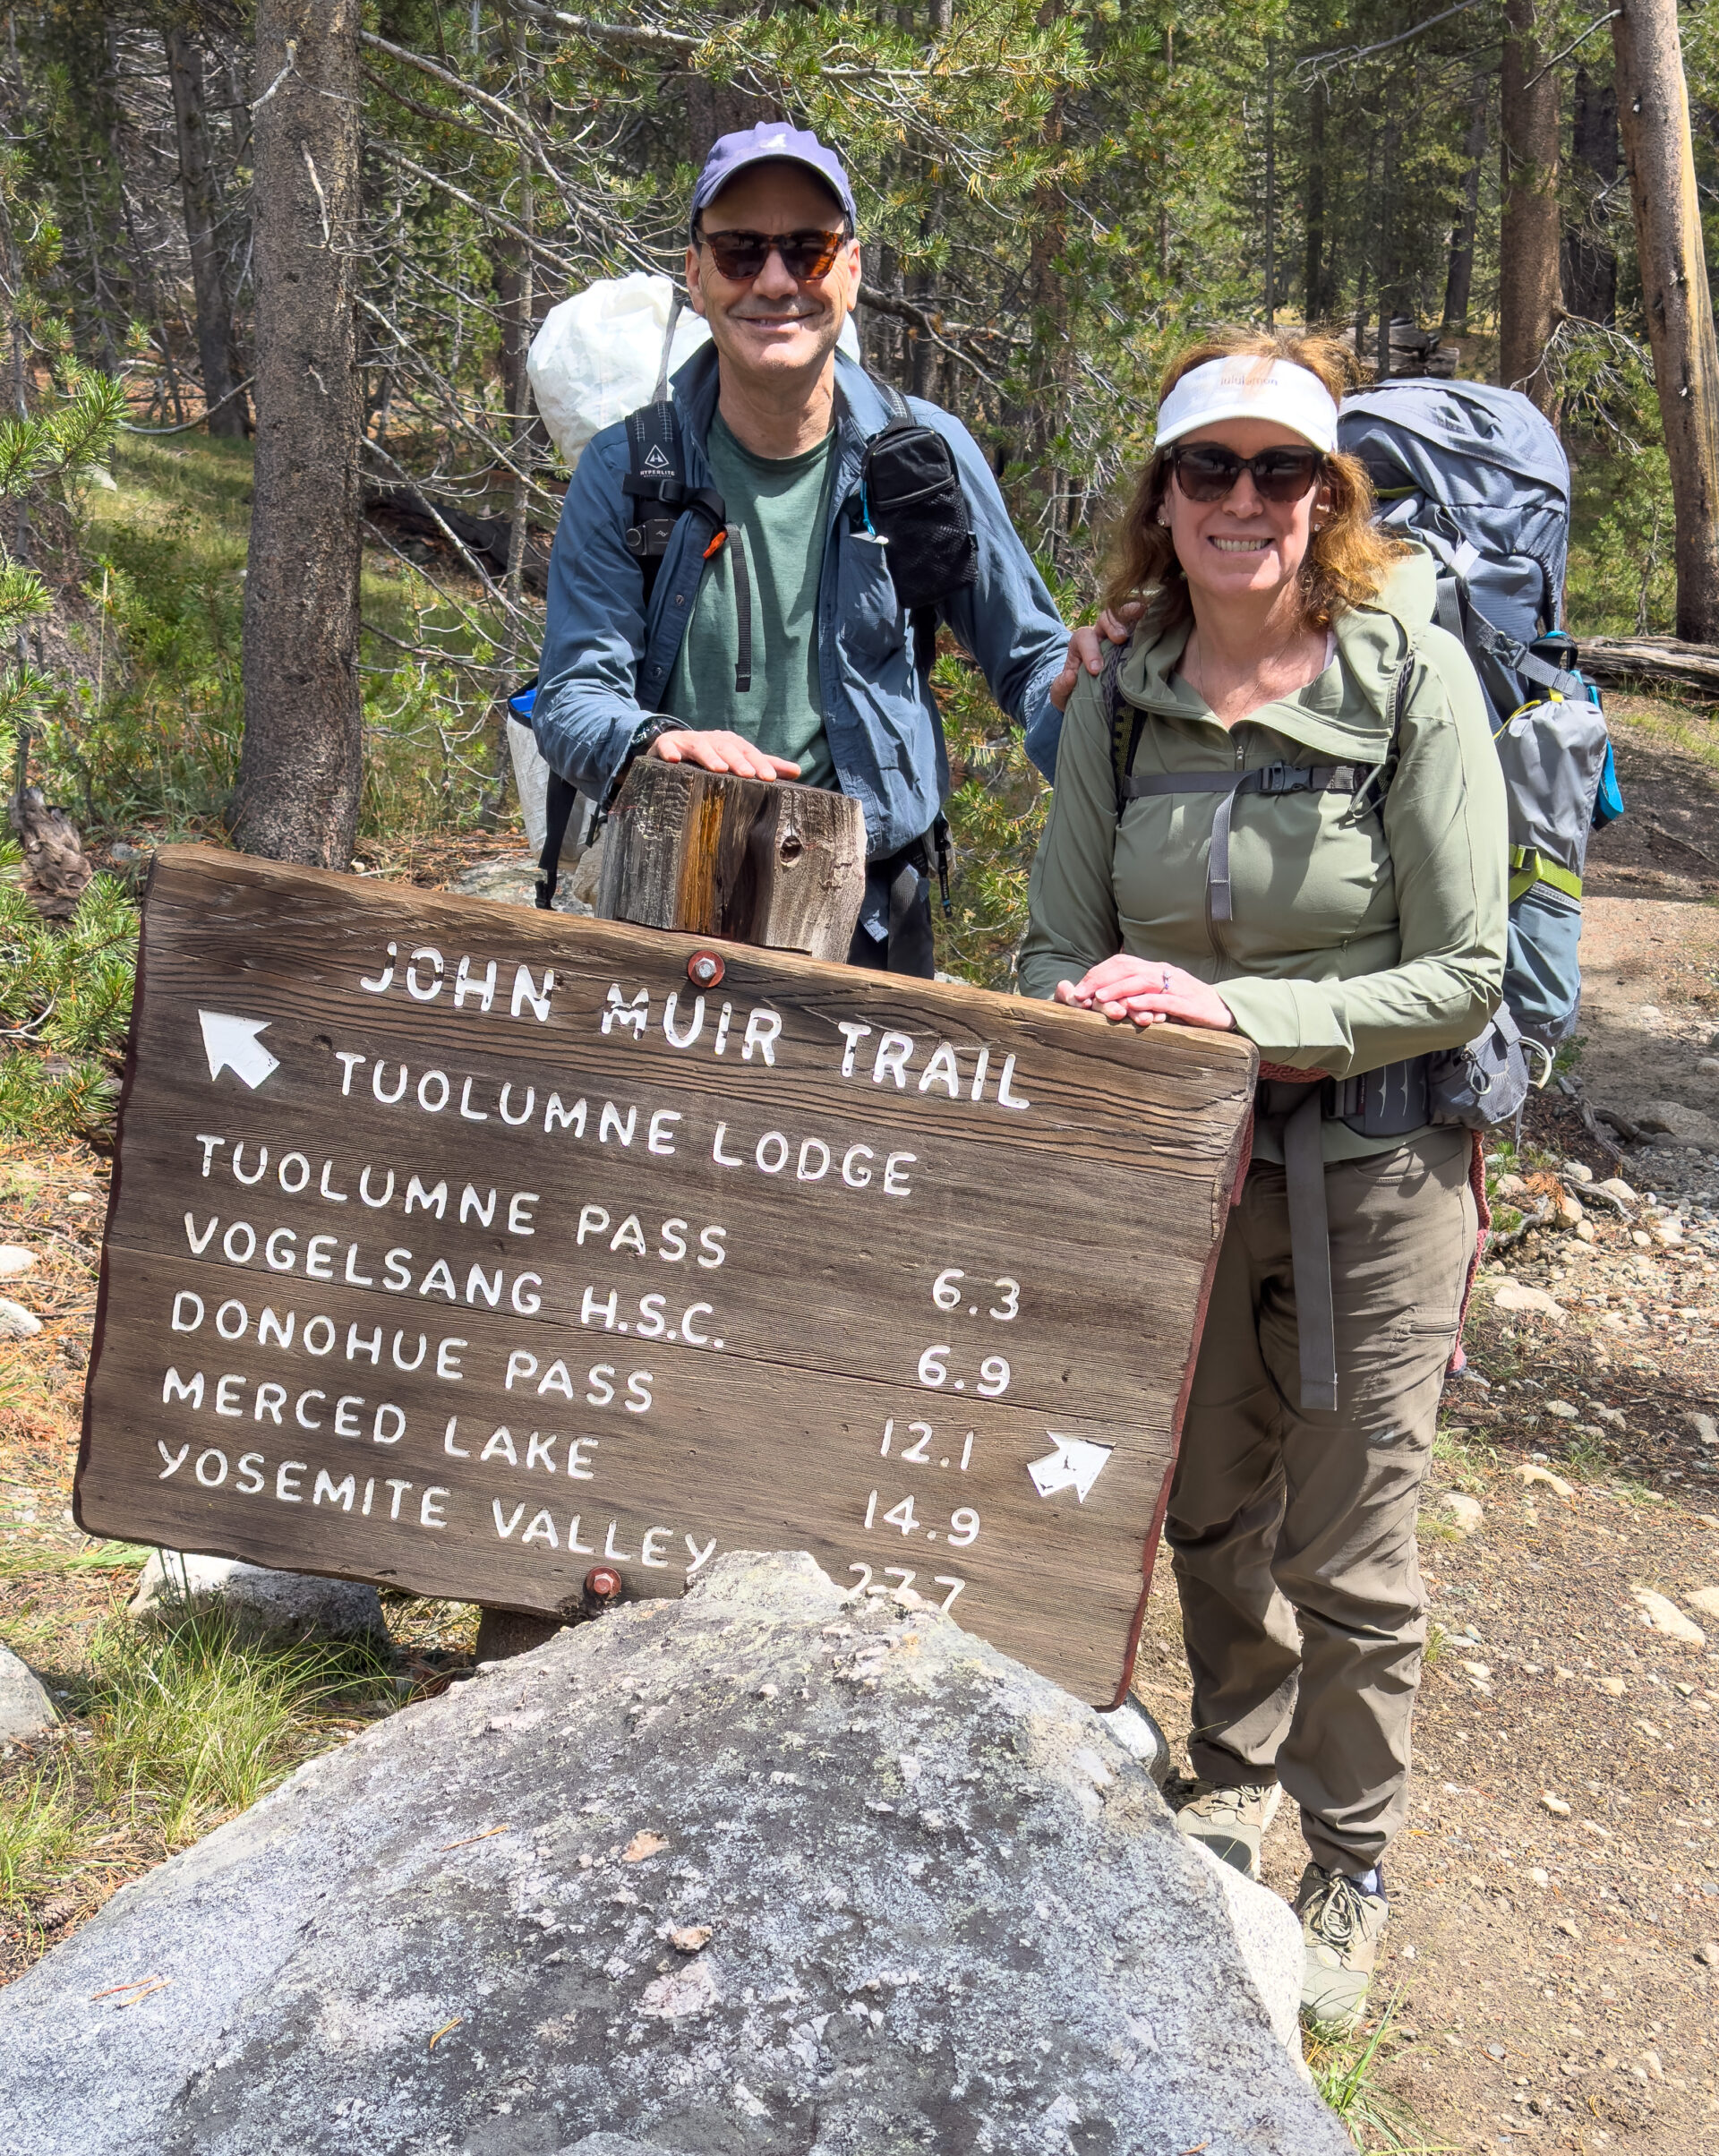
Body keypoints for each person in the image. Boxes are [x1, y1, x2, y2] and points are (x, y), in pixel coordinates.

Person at [1019, 331, 1508, 2028]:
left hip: (1379, 1169)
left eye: (1279, 471)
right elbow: (1051, 939)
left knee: (1354, 1537)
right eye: (1208, 469)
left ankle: (1350, 1855)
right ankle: (1228, 1770)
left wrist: (1237, 1008)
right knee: (1206, 1501)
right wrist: (1088, 1009)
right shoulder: (1124, 691)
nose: (1243, 500)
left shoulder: (1409, 677)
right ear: (1164, 499)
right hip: (1183, 1166)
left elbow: (1465, 967)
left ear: (1329, 500)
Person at [534, 121, 1075, 976]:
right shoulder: (630, 468)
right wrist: (650, 743)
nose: (776, 281)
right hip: (671, 902)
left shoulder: (920, 453)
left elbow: (1032, 661)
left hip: (871, 919)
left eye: (809, 251)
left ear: (851, 272)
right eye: (743, 252)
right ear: (697, 274)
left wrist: (1125, 756)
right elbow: (573, 695)